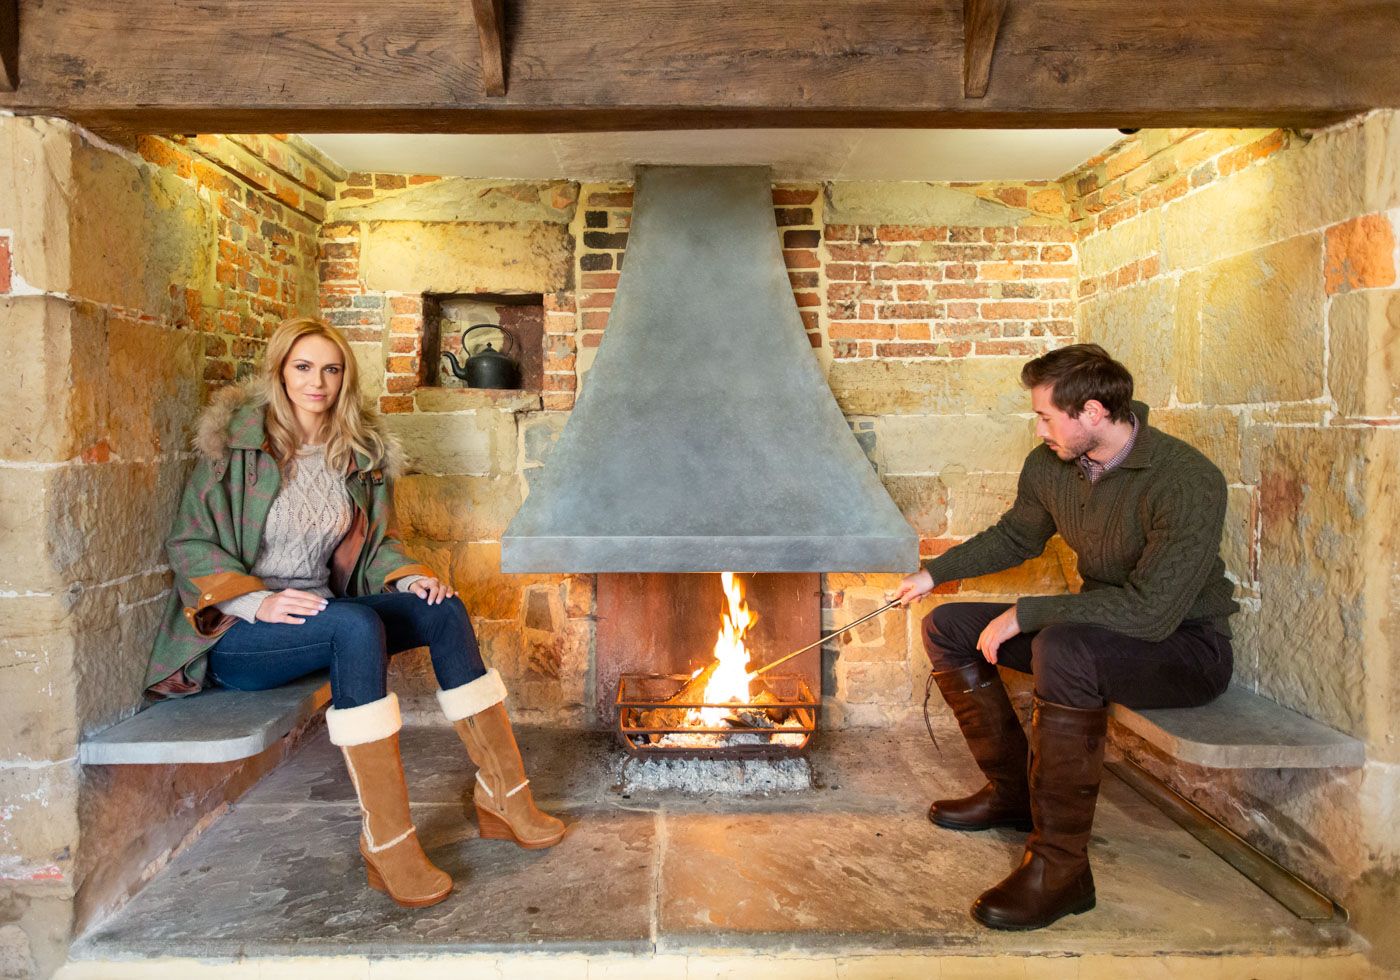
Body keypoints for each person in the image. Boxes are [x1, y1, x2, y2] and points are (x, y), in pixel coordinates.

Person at [144, 317, 564, 909]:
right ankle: (387, 842)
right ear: (280, 372)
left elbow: (374, 549)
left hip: (326, 617)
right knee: (354, 623)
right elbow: (189, 545)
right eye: (303, 367)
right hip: (242, 633)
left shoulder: (355, 454)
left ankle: (505, 794)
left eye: (331, 369)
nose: (318, 382)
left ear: (345, 379)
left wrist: (409, 575)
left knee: (441, 609)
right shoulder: (233, 449)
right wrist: (258, 600)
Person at [891, 343, 1237, 931]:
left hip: (1185, 646)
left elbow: (1153, 611)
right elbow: (1015, 537)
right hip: (1097, 627)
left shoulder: (1186, 479)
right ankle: (1011, 794)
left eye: (1047, 415)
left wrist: (1029, 614)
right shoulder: (1052, 464)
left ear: (1094, 413)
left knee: (1062, 647)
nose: (1038, 427)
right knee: (947, 627)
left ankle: (1061, 867)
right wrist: (932, 574)